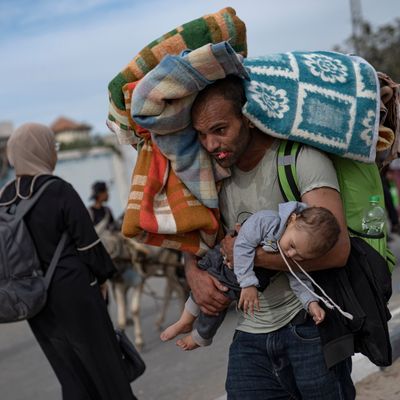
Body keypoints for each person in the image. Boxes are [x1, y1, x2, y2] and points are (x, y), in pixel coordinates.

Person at [183, 76, 354, 399]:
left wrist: (250, 255)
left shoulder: (299, 161)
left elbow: (338, 251)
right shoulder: (211, 179)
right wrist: (193, 273)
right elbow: (197, 243)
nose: (210, 145)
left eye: (220, 130)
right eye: (201, 135)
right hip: (250, 334)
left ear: (248, 119)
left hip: (308, 326)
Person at [0, 123, 137, 400]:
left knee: (67, 367)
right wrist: (103, 278)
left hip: (33, 296)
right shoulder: (57, 189)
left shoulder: (4, 198)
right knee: (103, 361)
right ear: (43, 150)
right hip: (75, 290)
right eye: (53, 147)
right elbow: (88, 242)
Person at [161, 202, 340, 350]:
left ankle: (200, 335)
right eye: (292, 246)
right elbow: (241, 244)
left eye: (300, 256)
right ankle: (185, 321)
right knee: (205, 288)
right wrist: (248, 284)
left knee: (216, 304)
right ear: (292, 219)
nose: (291, 255)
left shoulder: (292, 249)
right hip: (222, 262)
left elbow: (299, 278)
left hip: (234, 280)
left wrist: (311, 303)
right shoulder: (267, 221)